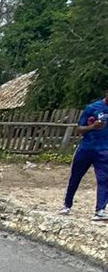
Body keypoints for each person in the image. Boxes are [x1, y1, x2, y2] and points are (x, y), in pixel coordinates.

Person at [58, 89, 108, 220]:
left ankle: (100, 210)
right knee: (75, 177)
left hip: (104, 150)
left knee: (104, 179)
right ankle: (67, 205)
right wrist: (92, 127)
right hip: (86, 148)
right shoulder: (92, 108)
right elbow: (79, 129)